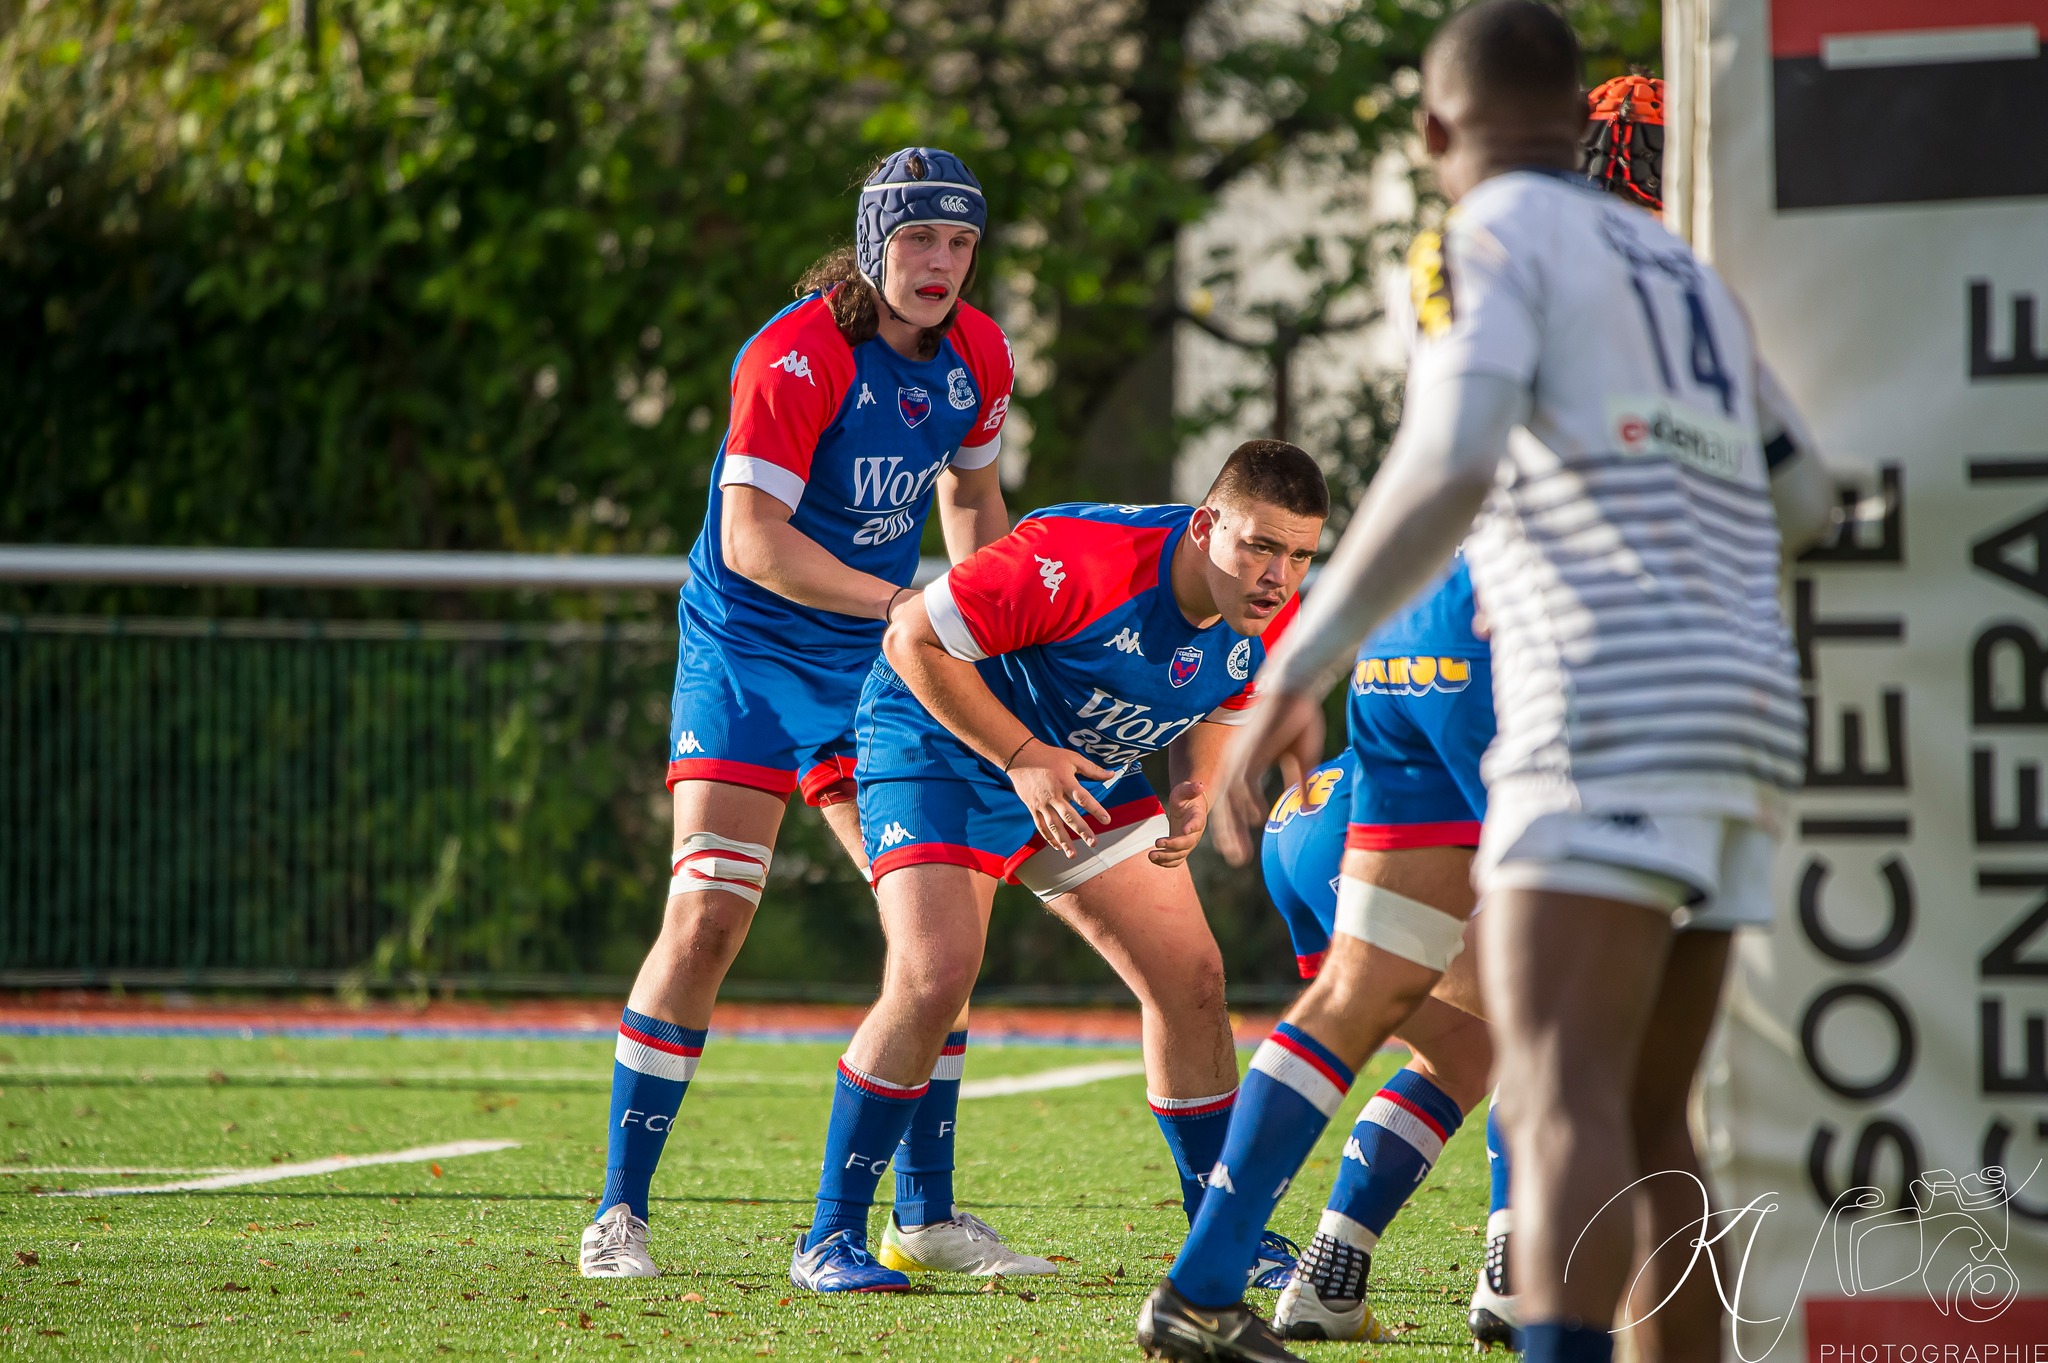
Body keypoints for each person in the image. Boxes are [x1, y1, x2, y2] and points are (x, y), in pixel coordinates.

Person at [1135, 6, 1836, 1362]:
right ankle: (1209, 1283)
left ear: (1436, 129)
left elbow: (1454, 442)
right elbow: (1800, 491)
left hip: (1573, 681)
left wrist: (1304, 651)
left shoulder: (1497, 225)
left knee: (1553, 1074)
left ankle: (1226, 1269)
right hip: (1734, 695)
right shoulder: (1695, 279)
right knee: (1652, 1112)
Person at [581, 146, 1036, 1280]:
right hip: (747, 656)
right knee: (707, 920)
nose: (940, 263)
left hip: (880, 665)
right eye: (919, 239)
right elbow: (752, 543)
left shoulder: (976, 351)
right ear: (875, 242)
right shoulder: (793, 355)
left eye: (961, 242)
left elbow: (972, 498)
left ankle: (922, 1216)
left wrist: (981, 633)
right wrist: (912, 603)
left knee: (938, 939)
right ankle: (618, 1214)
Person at [786, 442, 1327, 1293]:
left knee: (1191, 978)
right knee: (936, 974)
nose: (1278, 575)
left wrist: (1197, 783)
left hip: (1078, 769)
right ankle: (829, 1236)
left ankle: (1223, 1233)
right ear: (1204, 525)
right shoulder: (1077, 556)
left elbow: (1223, 693)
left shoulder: (1272, 610)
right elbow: (912, 638)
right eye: (1260, 545)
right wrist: (1023, 753)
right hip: (940, 743)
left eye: (1300, 554)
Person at [1253, 560, 1500, 1347]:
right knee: (1547, 1025)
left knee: (1459, 1052)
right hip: (1380, 814)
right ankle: (1521, 1270)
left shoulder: (1422, 573)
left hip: (1304, 818)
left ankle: (1325, 1271)